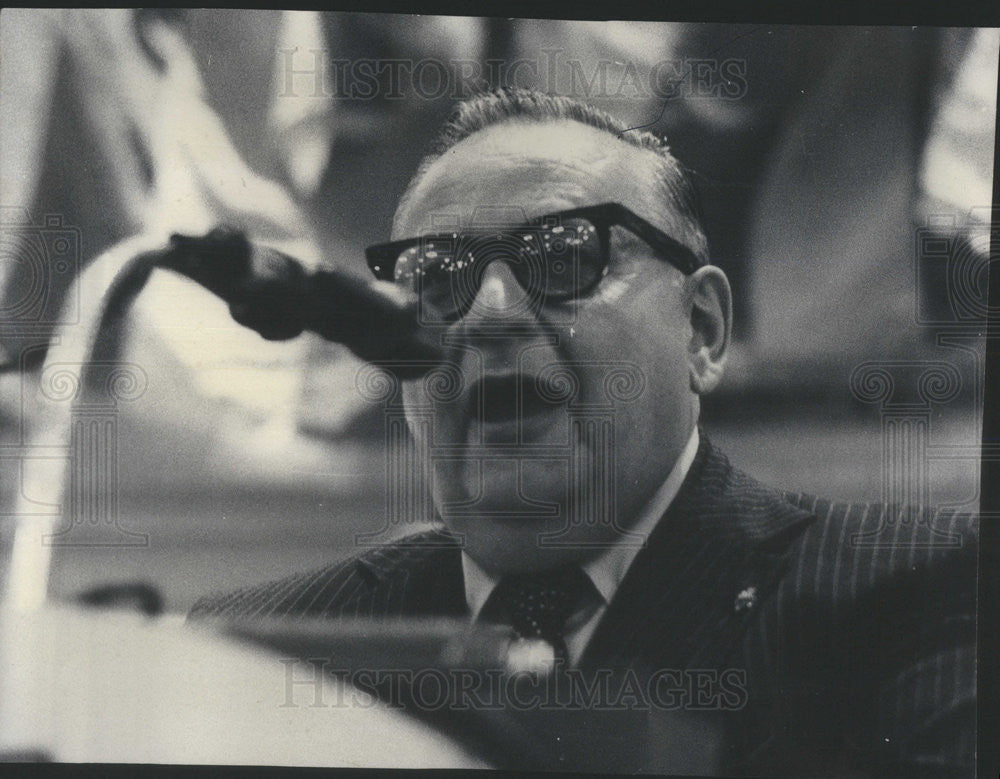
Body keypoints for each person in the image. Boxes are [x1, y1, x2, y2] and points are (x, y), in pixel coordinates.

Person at [190, 88, 977, 777]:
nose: (492, 313)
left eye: (564, 256)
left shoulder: (922, 590)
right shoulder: (259, 648)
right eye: (438, 277)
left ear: (700, 328)